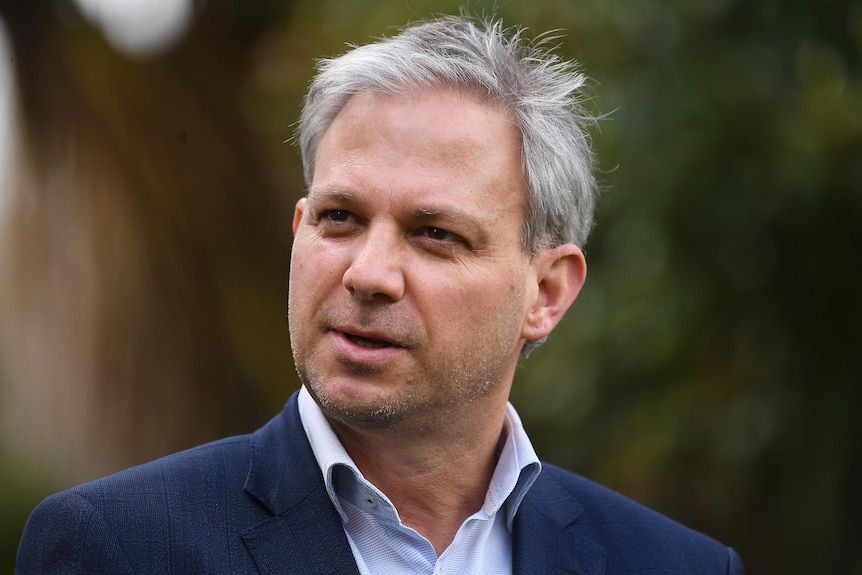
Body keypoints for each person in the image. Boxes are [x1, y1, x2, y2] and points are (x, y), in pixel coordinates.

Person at [16, 15, 744, 575]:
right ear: (299, 230)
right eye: (341, 218)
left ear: (546, 291)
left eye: (433, 234)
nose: (368, 273)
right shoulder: (121, 547)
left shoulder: (676, 564)